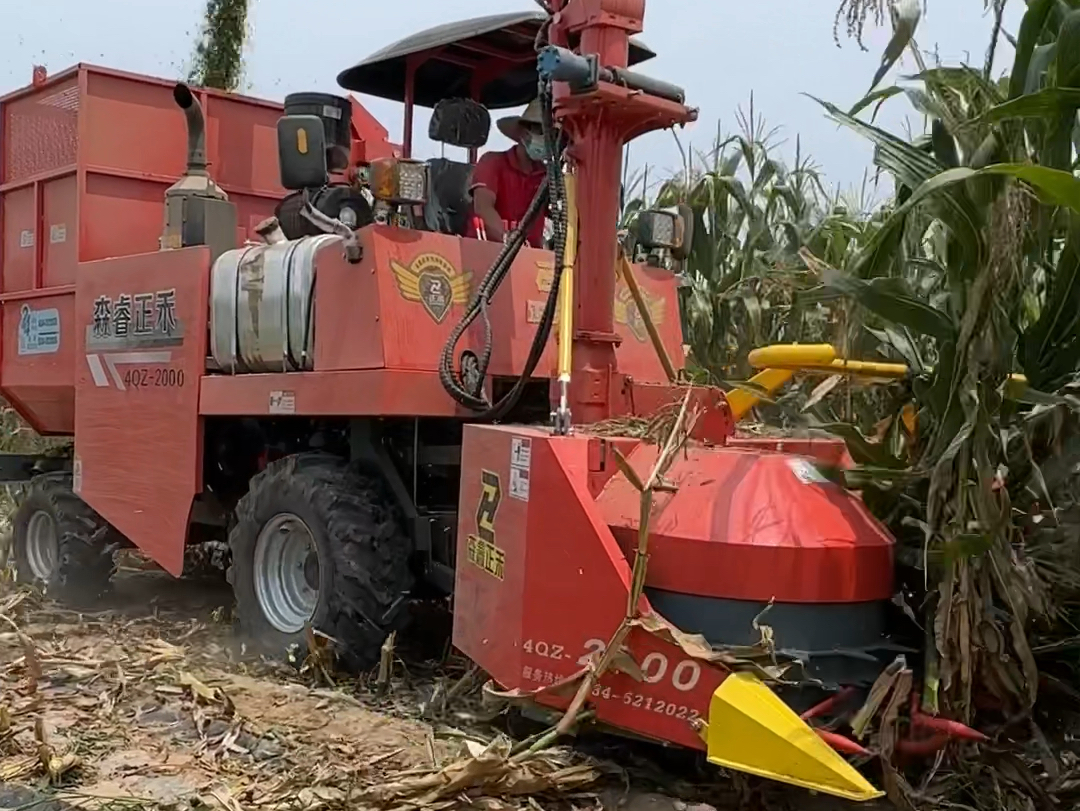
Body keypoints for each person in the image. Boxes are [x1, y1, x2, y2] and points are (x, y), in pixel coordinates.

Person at [467, 98, 549, 247]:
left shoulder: (548, 178)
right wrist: (507, 238)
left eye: (553, 135)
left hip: (533, 262)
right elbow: (483, 206)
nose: (548, 140)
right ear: (524, 133)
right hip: (484, 254)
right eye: (542, 132)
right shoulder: (492, 162)